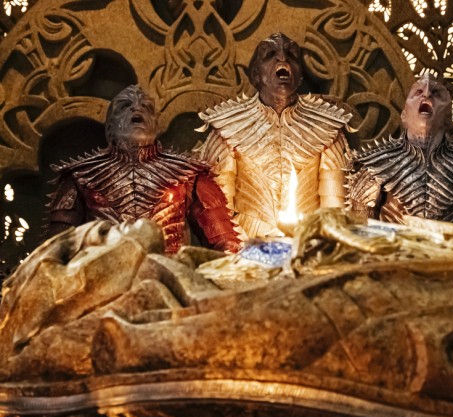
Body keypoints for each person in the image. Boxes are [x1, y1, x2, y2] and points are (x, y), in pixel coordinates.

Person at [47, 85, 240, 254]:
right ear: (110, 127)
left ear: (156, 124)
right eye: (125, 106)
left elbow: (225, 243)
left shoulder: (189, 173)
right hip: (102, 276)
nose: (136, 108)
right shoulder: (81, 175)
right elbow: (54, 250)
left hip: (170, 275)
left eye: (146, 107)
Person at [194, 33, 351, 238]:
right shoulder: (227, 127)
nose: (283, 58)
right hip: (247, 243)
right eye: (269, 55)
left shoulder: (327, 126)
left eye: (292, 55)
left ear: (300, 75)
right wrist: (238, 248)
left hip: (309, 243)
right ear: (255, 74)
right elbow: (217, 207)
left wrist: (321, 246)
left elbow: (335, 209)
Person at [347, 74, 453, 226]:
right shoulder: (375, 165)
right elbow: (359, 230)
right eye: (418, 92)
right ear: (404, 115)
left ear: (448, 118)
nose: (427, 94)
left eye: (436, 94)